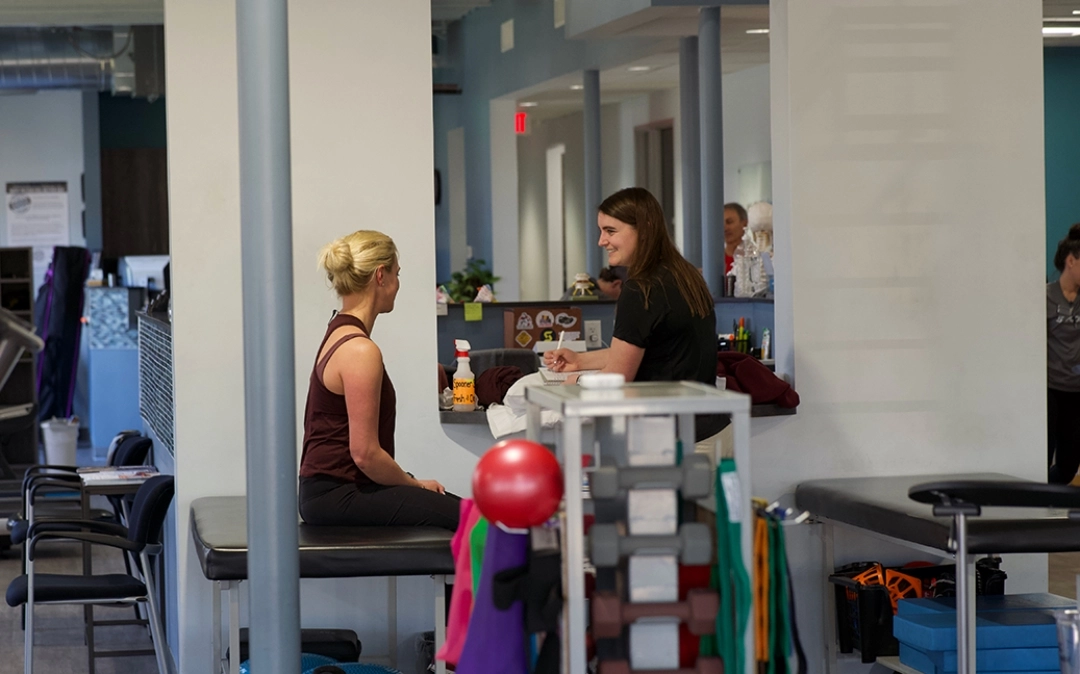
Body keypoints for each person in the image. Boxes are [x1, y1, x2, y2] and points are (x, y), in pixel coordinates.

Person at [299, 230, 460, 529]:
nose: (398, 285)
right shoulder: (360, 350)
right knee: (474, 523)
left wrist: (412, 484)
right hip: (337, 495)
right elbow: (365, 455)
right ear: (381, 276)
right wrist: (413, 484)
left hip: (335, 491)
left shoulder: (339, 329)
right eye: (397, 274)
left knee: (469, 514)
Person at [543, 187, 716, 389]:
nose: (601, 241)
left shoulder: (642, 288)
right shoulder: (685, 274)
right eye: (601, 231)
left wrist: (578, 381)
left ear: (644, 230)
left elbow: (618, 376)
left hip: (665, 414)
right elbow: (640, 352)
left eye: (610, 231)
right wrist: (579, 361)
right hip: (702, 413)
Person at [1048, 223, 1080, 484]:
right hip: (1049, 390)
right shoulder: (1045, 297)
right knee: (1041, 457)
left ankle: (1050, 498)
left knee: (1069, 466)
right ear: (1071, 261)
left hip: (1076, 391)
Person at [723, 202, 749, 274]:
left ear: (744, 223)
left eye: (729, 222)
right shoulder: (715, 261)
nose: (725, 228)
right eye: (721, 223)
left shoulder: (753, 259)